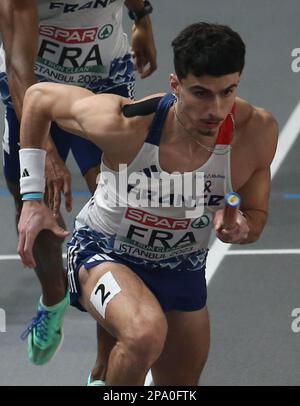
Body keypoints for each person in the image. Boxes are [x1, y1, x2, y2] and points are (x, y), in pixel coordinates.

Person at [17, 22, 278, 385]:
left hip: (180, 267)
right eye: (201, 93)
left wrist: (243, 227)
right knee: (143, 334)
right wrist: (31, 198)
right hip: (104, 251)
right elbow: (38, 98)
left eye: (227, 91)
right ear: (176, 85)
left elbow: (257, 215)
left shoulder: (256, 133)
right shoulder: (126, 124)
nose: (215, 110)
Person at [0, 0, 156, 366]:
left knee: (120, 204)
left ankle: (105, 364)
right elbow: (19, 71)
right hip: (34, 83)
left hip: (106, 78)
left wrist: (142, 17)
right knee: (32, 198)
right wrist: (44, 153)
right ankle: (53, 298)